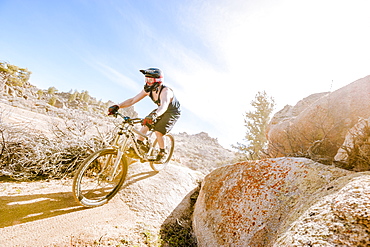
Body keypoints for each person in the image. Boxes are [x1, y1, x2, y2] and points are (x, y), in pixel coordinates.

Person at [108, 68, 181, 161]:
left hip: (171, 112)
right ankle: (140, 148)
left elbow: (164, 106)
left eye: (150, 80)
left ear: (158, 81)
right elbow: (132, 100)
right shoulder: (148, 90)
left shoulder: (166, 91)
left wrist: (154, 115)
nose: (147, 82)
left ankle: (163, 152)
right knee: (144, 126)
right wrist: (118, 106)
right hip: (159, 110)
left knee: (159, 131)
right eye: (146, 79)